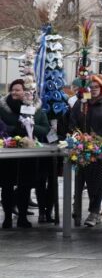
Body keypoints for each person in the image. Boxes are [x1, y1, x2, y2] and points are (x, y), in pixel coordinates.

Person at [0, 79, 50, 229]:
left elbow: (45, 128)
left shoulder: (36, 109)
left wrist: (32, 128)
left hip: (28, 153)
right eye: (13, 90)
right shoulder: (3, 108)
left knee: (25, 185)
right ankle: (7, 217)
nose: (14, 92)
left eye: (18, 90)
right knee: (6, 185)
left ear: (26, 92)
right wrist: (13, 129)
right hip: (8, 153)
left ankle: (22, 217)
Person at [68, 75, 102, 228]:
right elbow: (73, 122)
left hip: (100, 148)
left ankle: (94, 211)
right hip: (82, 147)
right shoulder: (82, 103)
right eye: (91, 87)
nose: (94, 90)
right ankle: (78, 208)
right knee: (81, 176)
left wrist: (95, 137)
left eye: (97, 87)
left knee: (97, 177)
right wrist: (79, 136)